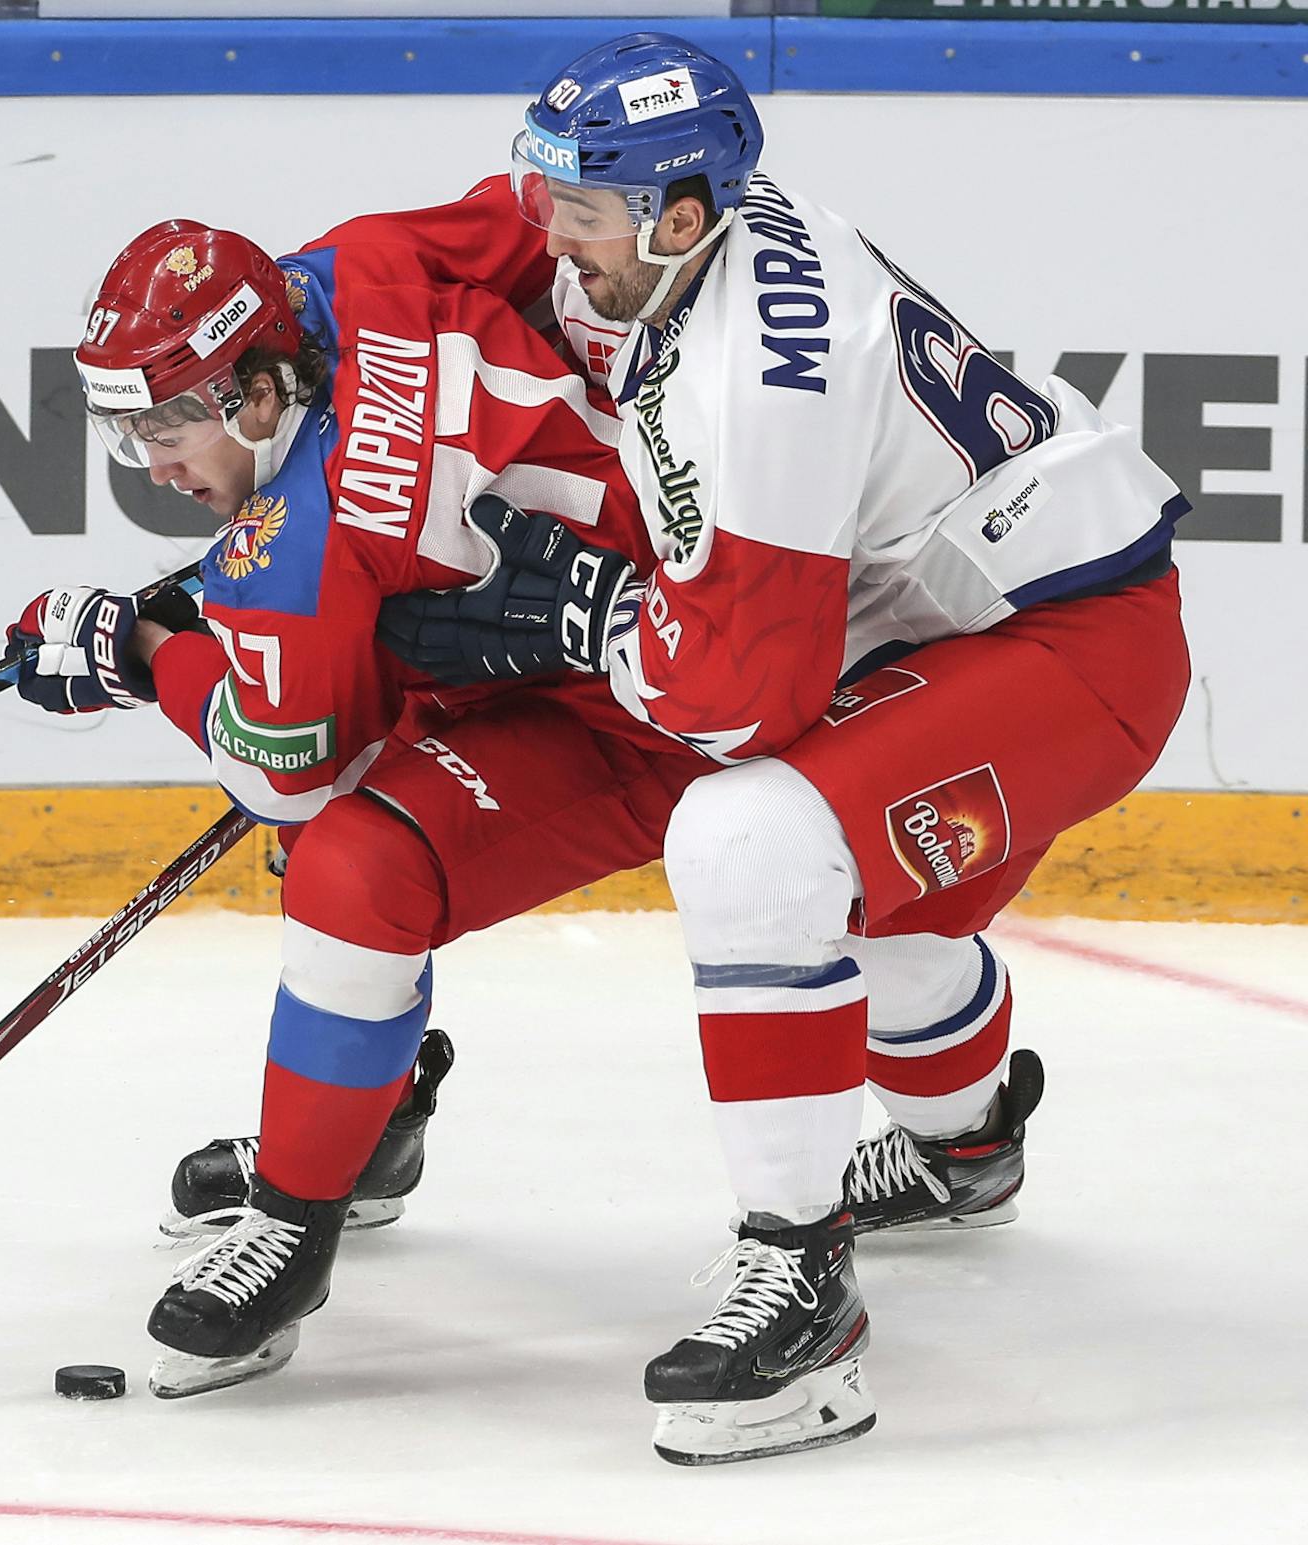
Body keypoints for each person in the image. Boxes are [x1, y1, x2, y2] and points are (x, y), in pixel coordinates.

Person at [378, 33, 1190, 1464]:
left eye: (578, 208)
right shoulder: (686, 243)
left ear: (679, 219)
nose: (543, 228)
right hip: (965, 631)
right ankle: (967, 1147)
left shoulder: (757, 379)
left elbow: (745, 697)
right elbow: (455, 261)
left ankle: (804, 1290)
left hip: (1077, 653)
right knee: (877, 932)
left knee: (749, 835)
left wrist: (586, 614)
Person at [4, 197, 711, 1398]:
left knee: (347, 863)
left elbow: (285, 776)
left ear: (263, 395)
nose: (156, 463)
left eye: (172, 426)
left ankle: (293, 1221)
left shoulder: (296, 555)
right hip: (639, 607)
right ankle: (359, 1129)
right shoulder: (349, 270)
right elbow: (543, 231)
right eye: (135, 431)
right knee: (366, 716)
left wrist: (139, 659)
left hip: (656, 702)